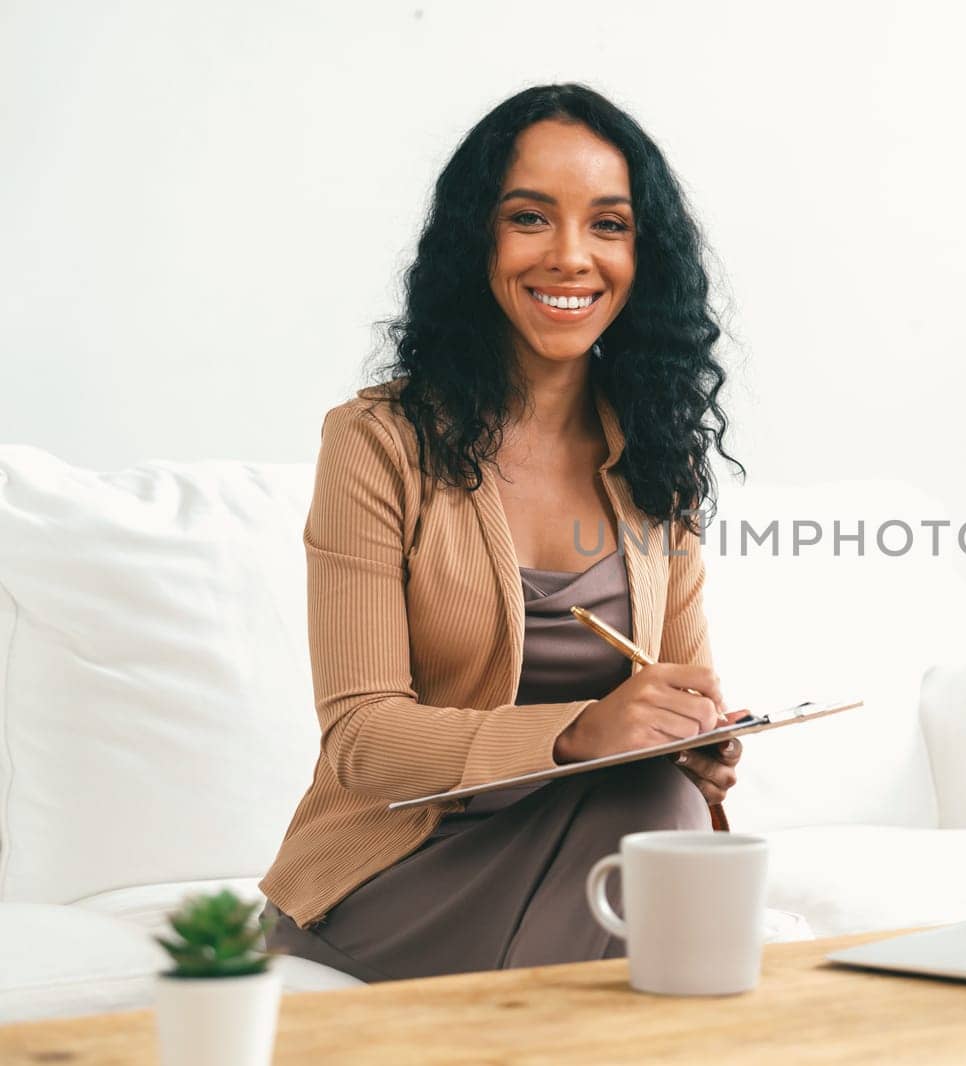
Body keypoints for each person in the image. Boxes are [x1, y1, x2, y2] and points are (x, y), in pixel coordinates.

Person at [258, 82, 745, 982]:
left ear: (646, 255)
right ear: (476, 238)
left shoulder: (656, 453)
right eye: (530, 218)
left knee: (659, 798)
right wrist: (577, 734)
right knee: (653, 828)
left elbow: (677, 689)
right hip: (409, 857)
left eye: (609, 224)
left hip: (606, 831)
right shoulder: (377, 443)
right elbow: (362, 742)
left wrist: (696, 739)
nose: (571, 257)